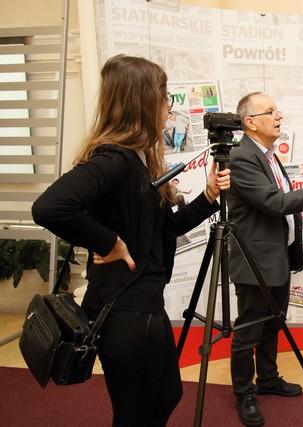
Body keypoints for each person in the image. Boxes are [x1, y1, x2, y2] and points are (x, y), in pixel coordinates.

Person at [31, 54, 231, 427]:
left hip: (143, 306)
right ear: (143, 102)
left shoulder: (137, 161)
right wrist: (110, 243)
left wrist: (208, 197)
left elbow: (165, 229)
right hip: (124, 312)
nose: (168, 107)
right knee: (135, 413)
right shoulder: (115, 159)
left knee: (166, 395)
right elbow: (49, 207)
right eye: (163, 97)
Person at [227, 92, 303, 427]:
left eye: (278, 110)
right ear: (250, 122)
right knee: (249, 330)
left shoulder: (268, 155)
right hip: (254, 262)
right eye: (270, 111)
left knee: (273, 322)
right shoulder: (242, 157)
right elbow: (273, 203)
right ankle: (244, 394)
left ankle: (268, 378)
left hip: (276, 258)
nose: (279, 116)